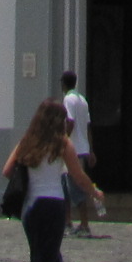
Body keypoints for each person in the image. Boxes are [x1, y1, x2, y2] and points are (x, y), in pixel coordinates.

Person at [4, 97, 103, 262]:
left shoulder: (27, 142)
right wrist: (95, 192)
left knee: (49, 259)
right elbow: (78, 177)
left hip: (30, 209)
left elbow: (7, 171)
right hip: (52, 207)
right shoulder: (62, 144)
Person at [58, 70, 98, 237]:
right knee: (65, 187)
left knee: (75, 187)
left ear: (63, 84)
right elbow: (88, 126)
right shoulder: (82, 100)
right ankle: (67, 222)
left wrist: (63, 142)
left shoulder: (69, 99)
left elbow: (70, 122)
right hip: (82, 148)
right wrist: (91, 149)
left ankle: (84, 224)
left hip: (72, 150)